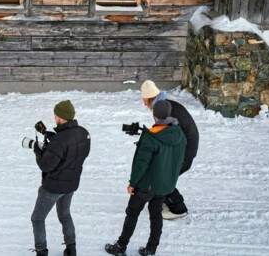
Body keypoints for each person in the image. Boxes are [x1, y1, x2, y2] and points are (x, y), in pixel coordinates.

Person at [105, 100, 186, 256]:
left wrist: (133, 183)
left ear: (154, 115)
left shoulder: (151, 137)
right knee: (156, 215)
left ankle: (121, 246)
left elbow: (141, 164)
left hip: (147, 185)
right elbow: (178, 159)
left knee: (132, 213)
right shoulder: (179, 134)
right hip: (164, 186)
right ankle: (151, 248)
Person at [31, 100, 91, 256]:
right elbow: (77, 152)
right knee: (64, 215)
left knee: (37, 218)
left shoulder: (60, 141)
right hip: (71, 184)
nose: (54, 118)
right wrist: (53, 139)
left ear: (61, 116)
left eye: (55, 115)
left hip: (53, 187)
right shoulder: (84, 133)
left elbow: (46, 165)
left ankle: (41, 251)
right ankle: (71, 249)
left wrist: (38, 151)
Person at [140, 80, 199, 219]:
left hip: (184, 152)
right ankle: (165, 201)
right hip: (184, 148)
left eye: (145, 100)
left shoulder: (165, 109)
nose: (144, 104)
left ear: (150, 98)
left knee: (162, 178)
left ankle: (178, 209)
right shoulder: (166, 105)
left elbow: (170, 136)